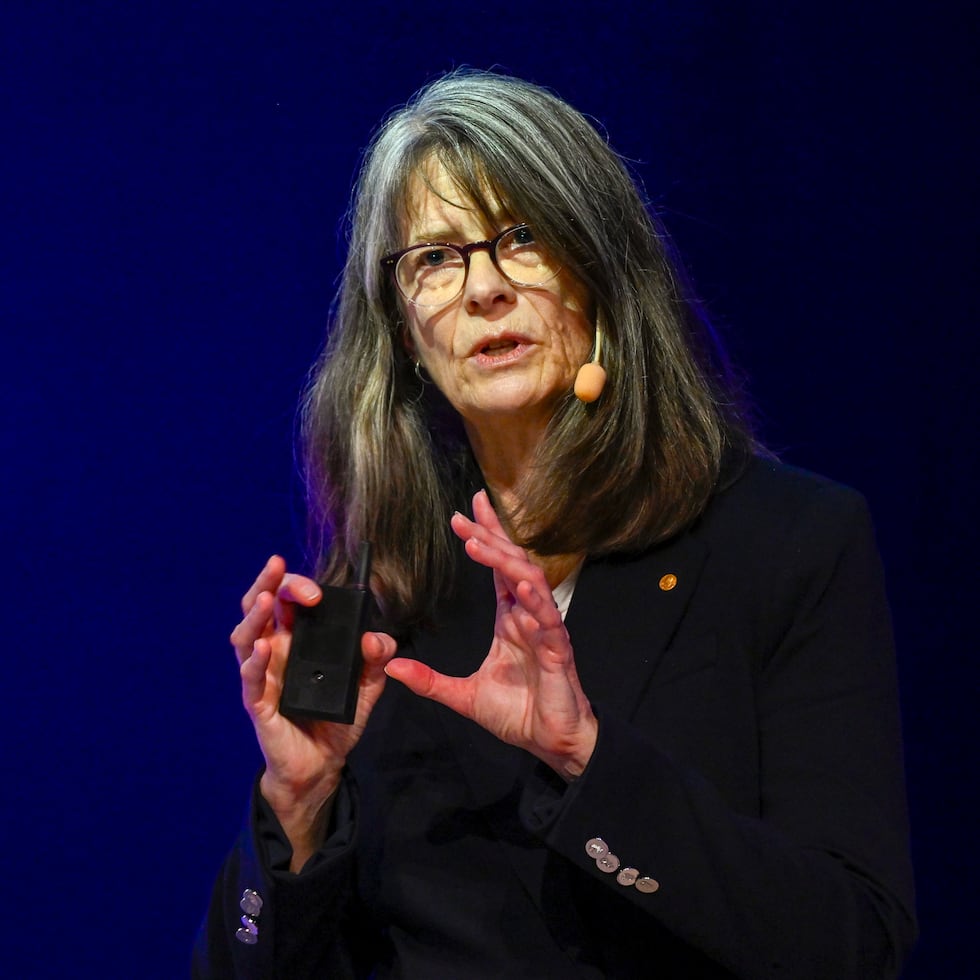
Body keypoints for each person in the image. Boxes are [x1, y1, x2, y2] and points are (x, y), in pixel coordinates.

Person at [193, 71, 916, 978]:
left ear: (604, 274)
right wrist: (295, 807)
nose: (483, 289)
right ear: (405, 338)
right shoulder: (377, 596)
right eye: (435, 258)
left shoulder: (788, 544)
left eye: (521, 238)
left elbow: (851, 940)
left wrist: (588, 758)